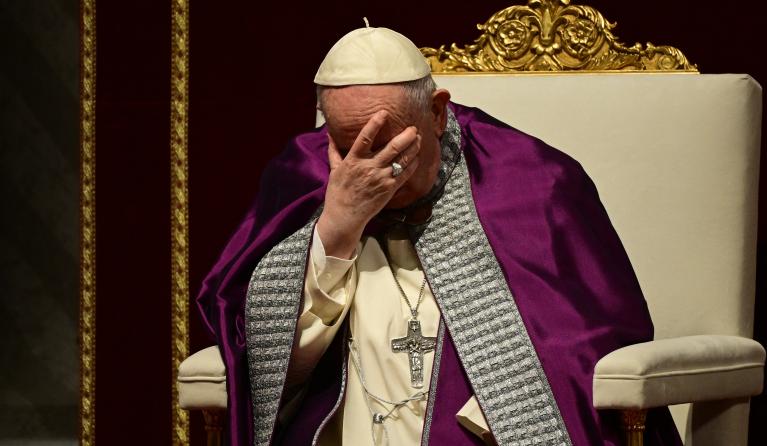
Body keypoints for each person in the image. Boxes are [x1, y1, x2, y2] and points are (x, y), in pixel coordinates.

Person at [196, 26, 683, 446]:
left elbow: (597, 331)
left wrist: (499, 407)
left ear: (437, 112)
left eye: (391, 143)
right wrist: (338, 226)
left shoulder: (533, 179)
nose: (374, 168)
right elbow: (262, 353)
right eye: (350, 147)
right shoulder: (303, 175)